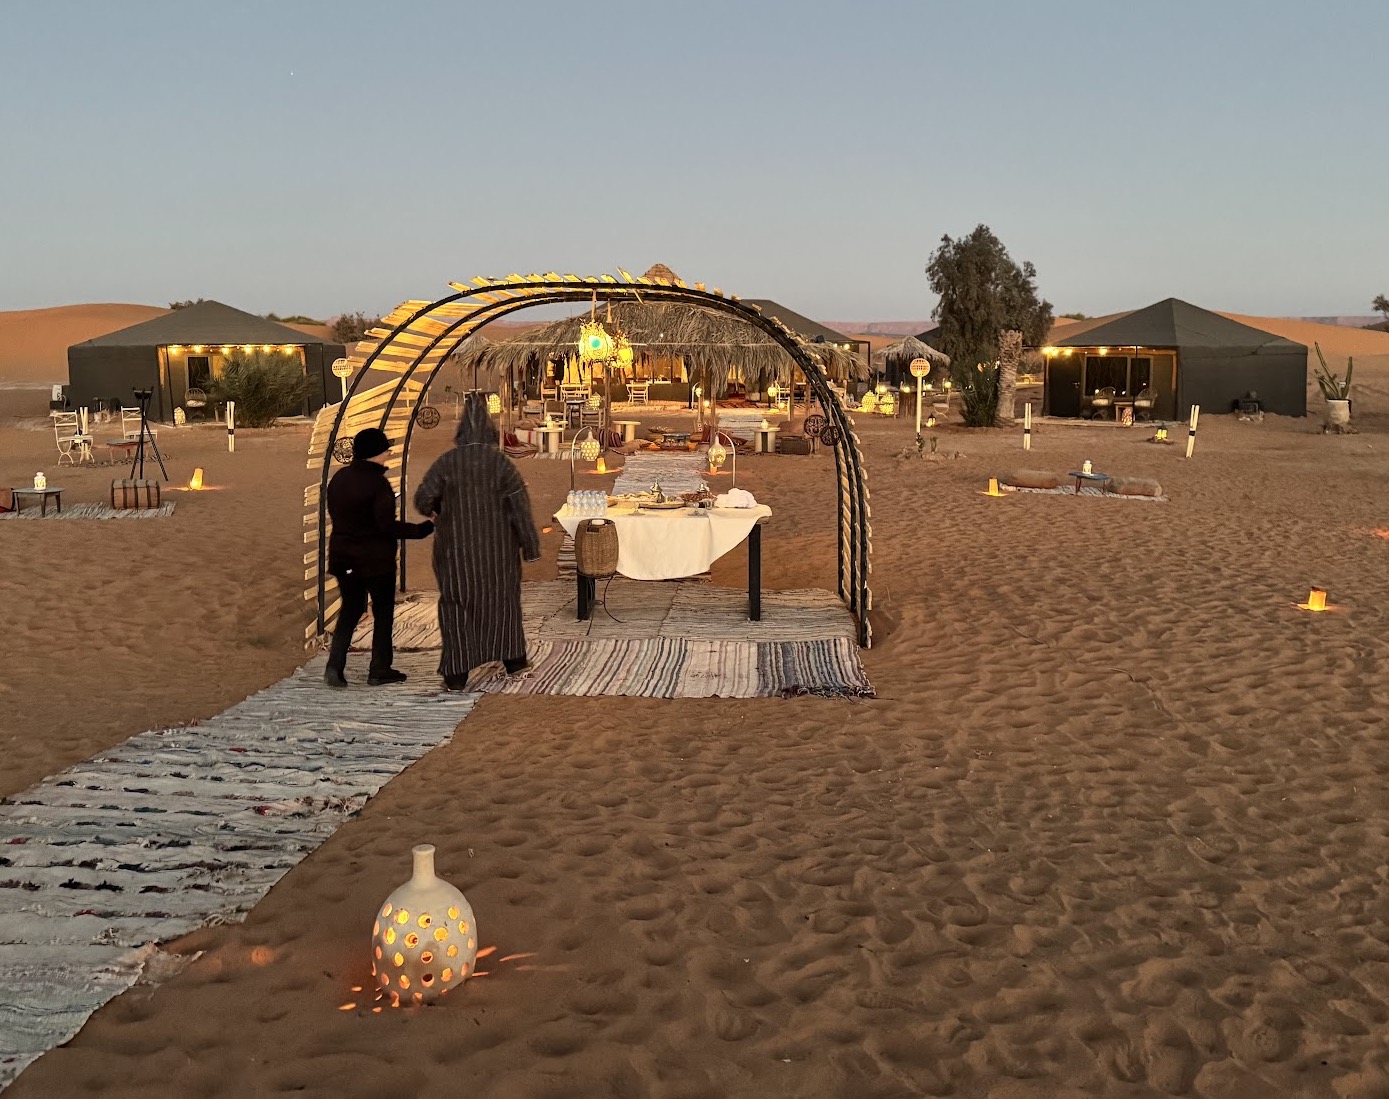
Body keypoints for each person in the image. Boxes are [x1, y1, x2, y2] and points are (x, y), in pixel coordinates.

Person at [414, 393, 541, 690]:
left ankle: (456, 676)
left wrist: (440, 511)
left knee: (457, 607)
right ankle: (514, 662)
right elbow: (519, 507)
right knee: (503, 604)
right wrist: (530, 547)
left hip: (455, 554)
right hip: (498, 553)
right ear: (489, 431)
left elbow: (422, 500)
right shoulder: (501, 464)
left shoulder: (445, 463)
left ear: (461, 431)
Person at [324, 427, 434, 688]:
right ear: (375, 453)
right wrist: (423, 529)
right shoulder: (378, 484)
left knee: (350, 610)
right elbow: (386, 525)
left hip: (343, 557)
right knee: (383, 612)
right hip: (375, 561)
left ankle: (334, 666)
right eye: (385, 449)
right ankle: (379, 668)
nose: (388, 453)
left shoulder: (339, 478)